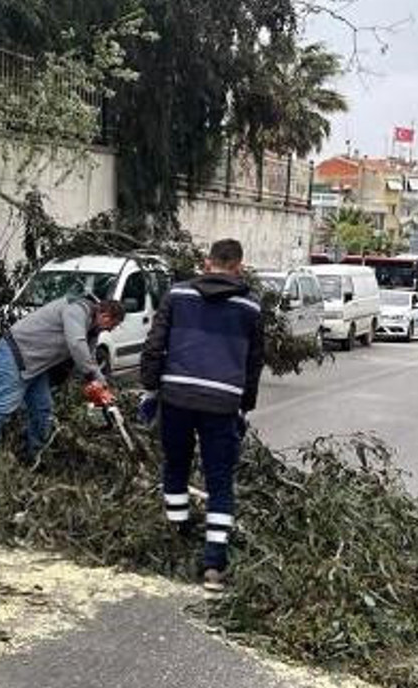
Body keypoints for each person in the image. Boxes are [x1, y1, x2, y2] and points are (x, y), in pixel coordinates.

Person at [139, 239, 264, 593]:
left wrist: (150, 390)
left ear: (207, 263)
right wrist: (244, 406)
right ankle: (213, 566)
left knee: (175, 467)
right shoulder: (250, 307)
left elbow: (154, 345)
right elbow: (253, 363)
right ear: (239, 266)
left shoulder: (178, 296)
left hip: (176, 396)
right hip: (223, 403)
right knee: (220, 481)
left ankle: (176, 536)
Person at [0, 292, 126, 482]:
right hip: (15, 355)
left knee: (43, 409)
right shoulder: (77, 310)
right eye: (113, 325)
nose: (110, 330)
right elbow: (77, 345)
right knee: (2, 408)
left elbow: (87, 358)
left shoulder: (93, 328)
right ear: (105, 316)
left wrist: (101, 384)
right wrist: (93, 375)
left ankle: (34, 457)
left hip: (36, 365)